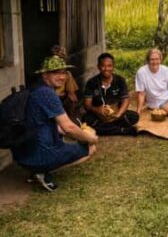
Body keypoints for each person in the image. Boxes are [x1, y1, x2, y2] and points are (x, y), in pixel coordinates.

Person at [12, 55, 98, 192]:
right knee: (90, 149)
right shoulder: (47, 94)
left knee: (70, 139)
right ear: (45, 75)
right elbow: (68, 127)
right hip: (39, 152)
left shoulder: (35, 89)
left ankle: (37, 168)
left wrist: (76, 134)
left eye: (63, 72)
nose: (62, 77)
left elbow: (57, 126)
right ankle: (41, 170)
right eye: (55, 72)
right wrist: (91, 138)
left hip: (23, 152)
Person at [82, 52, 140, 136]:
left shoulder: (120, 80)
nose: (106, 69)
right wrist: (97, 110)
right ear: (98, 67)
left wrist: (118, 114)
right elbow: (87, 105)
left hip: (116, 115)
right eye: (103, 66)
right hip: (98, 116)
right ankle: (122, 130)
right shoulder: (92, 82)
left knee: (134, 116)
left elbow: (125, 100)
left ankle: (105, 128)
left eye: (109, 66)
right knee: (86, 119)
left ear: (113, 66)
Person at [135, 48, 168, 117]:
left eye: (157, 59)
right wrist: (138, 112)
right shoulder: (141, 72)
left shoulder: (166, 70)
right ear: (148, 60)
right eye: (152, 59)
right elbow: (141, 93)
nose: (155, 62)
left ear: (160, 60)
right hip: (159, 103)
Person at [50, 45, 83, 123]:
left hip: (61, 98)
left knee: (71, 100)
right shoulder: (48, 76)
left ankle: (69, 121)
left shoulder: (67, 74)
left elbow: (72, 94)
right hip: (51, 98)